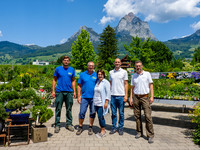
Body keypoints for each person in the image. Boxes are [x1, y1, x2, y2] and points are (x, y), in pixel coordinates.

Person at [129, 60, 154, 144]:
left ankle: (150, 135)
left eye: (139, 66)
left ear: (142, 66)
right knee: (137, 116)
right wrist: (131, 98)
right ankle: (139, 132)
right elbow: (132, 88)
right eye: (137, 66)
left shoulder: (147, 74)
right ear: (135, 67)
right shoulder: (134, 76)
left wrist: (152, 96)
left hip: (145, 97)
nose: (138, 67)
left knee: (148, 116)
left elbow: (151, 85)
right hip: (136, 97)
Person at [52, 56, 76, 133]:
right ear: (62, 61)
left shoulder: (72, 70)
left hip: (69, 92)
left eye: (67, 60)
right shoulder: (58, 69)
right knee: (58, 108)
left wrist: (74, 91)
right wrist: (53, 91)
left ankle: (69, 124)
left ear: (69, 62)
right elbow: (54, 80)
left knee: (69, 109)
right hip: (59, 92)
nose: (66, 61)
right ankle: (57, 125)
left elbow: (73, 81)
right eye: (65, 60)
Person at [76, 61, 97, 135]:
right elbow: (79, 85)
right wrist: (79, 96)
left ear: (94, 67)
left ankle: (90, 127)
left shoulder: (96, 75)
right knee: (82, 113)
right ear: (87, 66)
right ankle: (80, 127)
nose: (91, 67)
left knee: (92, 113)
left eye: (92, 66)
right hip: (84, 97)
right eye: (89, 65)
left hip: (93, 98)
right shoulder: (82, 74)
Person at [109, 58, 128, 135]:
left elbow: (126, 84)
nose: (117, 63)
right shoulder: (111, 72)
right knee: (113, 113)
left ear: (120, 63)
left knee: (121, 113)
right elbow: (110, 84)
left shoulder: (124, 72)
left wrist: (126, 95)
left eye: (118, 62)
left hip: (121, 95)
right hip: (112, 95)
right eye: (116, 62)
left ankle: (120, 128)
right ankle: (114, 127)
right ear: (114, 63)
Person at [93, 69, 111, 138]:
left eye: (101, 74)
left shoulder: (106, 82)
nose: (100, 76)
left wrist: (106, 102)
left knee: (101, 117)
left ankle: (103, 130)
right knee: (99, 116)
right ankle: (101, 129)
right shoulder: (97, 82)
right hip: (96, 103)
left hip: (101, 103)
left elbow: (108, 93)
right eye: (99, 74)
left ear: (103, 75)